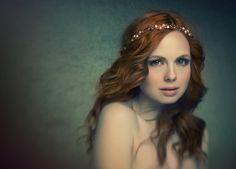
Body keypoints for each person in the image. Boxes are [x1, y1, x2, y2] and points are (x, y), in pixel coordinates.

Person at [85, 10, 208, 169]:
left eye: (182, 61)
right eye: (157, 62)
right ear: (134, 67)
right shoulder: (118, 116)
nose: (171, 75)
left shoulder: (197, 130)